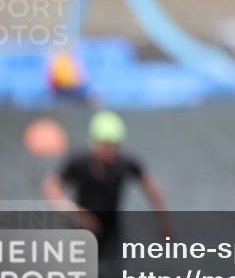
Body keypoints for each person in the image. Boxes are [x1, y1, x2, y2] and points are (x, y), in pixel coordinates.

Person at [43, 110, 174, 265]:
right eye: (105, 145)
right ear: (94, 143)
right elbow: (51, 187)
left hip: (111, 231)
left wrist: (165, 222)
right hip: (81, 229)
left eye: (114, 146)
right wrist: (75, 212)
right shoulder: (78, 162)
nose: (109, 152)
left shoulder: (126, 163)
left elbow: (152, 188)